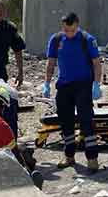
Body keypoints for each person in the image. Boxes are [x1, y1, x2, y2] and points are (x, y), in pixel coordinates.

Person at [42, 13, 103, 172]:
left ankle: (92, 159)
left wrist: (96, 84)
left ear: (77, 25)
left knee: (86, 120)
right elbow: (51, 63)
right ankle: (69, 156)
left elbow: (96, 63)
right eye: (66, 30)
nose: (69, 33)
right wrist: (47, 83)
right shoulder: (56, 40)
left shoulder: (87, 39)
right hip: (64, 86)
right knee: (66, 121)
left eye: (72, 30)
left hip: (83, 85)